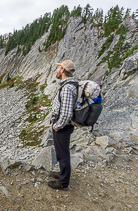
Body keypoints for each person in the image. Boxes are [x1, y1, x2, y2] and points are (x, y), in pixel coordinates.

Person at [48, 60, 77, 191]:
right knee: (61, 152)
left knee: (63, 153)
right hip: (63, 126)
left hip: (62, 127)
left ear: (63, 70)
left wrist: (57, 126)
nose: (57, 70)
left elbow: (66, 114)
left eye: (59, 68)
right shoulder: (68, 85)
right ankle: (62, 173)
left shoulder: (67, 88)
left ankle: (63, 182)